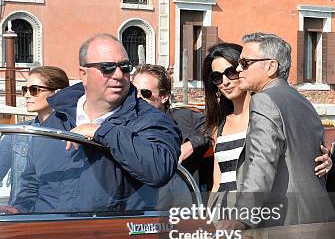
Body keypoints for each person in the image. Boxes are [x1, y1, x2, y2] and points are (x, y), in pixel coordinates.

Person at [13, 34, 181, 214]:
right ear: (83, 74)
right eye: (107, 68)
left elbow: (159, 168)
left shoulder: (150, 120)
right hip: (47, 235)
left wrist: (102, 131)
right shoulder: (57, 120)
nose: (118, 75)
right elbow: (31, 182)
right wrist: (19, 210)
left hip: (112, 238)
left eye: (125, 67)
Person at [229, 32, 335, 229]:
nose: (237, 69)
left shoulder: (263, 100)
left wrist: (242, 217)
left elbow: (262, 161)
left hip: (285, 221)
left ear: (271, 66)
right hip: (320, 215)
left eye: (245, 63)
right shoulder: (304, 102)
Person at [202, 43, 331, 206]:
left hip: (257, 210)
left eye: (231, 72)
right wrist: (208, 217)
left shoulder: (268, 114)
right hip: (222, 211)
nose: (225, 82)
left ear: (242, 69)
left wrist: (326, 162)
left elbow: (292, 156)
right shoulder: (218, 126)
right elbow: (217, 183)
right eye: (217, 77)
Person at [132, 63, 212, 190]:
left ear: (164, 97)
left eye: (145, 93)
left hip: (184, 201)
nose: (138, 97)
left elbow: (213, 126)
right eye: (134, 92)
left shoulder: (183, 118)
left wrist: (190, 146)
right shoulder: (125, 126)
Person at [0, 66, 69, 203]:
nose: (26, 95)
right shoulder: (17, 133)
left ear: (57, 93)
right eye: (25, 89)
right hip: (22, 215)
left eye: (34, 90)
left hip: (61, 215)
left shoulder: (72, 133)